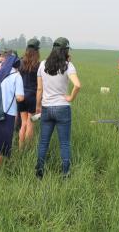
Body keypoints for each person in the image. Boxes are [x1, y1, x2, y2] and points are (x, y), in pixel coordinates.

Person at [35, 37, 81, 179]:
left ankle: (39, 172)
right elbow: (77, 85)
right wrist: (70, 98)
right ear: (66, 50)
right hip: (62, 108)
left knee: (43, 142)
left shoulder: (42, 64)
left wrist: (38, 106)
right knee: (65, 143)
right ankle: (65, 174)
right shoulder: (68, 66)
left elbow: (39, 89)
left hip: (47, 108)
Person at [18, 38, 40, 149]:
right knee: (30, 123)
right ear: (37, 50)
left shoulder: (20, 62)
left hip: (21, 95)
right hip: (32, 96)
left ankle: (20, 148)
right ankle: (27, 149)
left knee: (23, 123)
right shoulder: (39, 65)